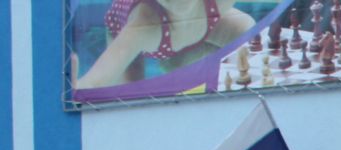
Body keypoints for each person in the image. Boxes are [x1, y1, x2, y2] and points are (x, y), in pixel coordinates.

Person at [74, 0, 253, 90]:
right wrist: (74, 89)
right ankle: (173, 64)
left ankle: (175, 64)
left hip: (199, 29)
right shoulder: (144, 25)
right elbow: (98, 79)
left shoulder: (216, 3)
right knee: (132, 95)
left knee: (247, 30)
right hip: (151, 38)